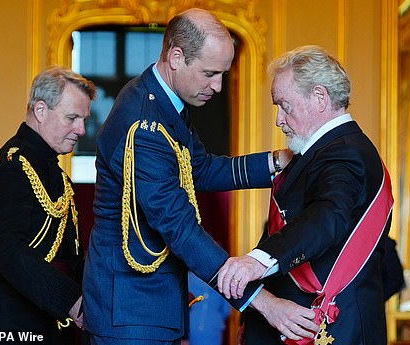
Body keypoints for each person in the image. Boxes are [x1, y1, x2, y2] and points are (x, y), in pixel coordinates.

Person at [82, 8, 287, 345]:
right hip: (133, 313)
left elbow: (199, 170)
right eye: (209, 73)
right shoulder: (145, 123)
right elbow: (179, 228)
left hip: (148, 306)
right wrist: (262, 301)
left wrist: (276, 162)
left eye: (222, 74)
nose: (217, 86)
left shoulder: (164, 103)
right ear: (176, 57)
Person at [217, 45, 394, 345]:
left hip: (333, 329)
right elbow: (281, 232)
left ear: (320, 97)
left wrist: (256, 262)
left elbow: (327, 217)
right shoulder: (318, 152)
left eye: (284, 105)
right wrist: (255, 318)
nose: (278, 119)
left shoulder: (345, 153)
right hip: (290, 324)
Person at [0, 66, 96, 344]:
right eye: (72, 118)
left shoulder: (57, 175)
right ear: (41, 111)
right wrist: (69, 300)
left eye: (84, 120)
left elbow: (71, 256)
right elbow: (9, 250)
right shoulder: (11, 168)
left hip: (49, 319)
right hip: (5, 319)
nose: (81, 130)